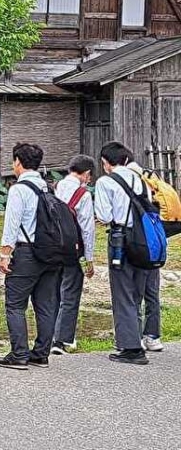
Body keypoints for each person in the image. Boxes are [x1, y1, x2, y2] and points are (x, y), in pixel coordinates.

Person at [0, 143, 62, 370]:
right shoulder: (48, 188)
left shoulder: (19, 189)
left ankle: (19, 354)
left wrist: (5, 254)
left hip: (26, 253)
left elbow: (12, 225)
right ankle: (41, 354)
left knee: (15, 304)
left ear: (18, 162)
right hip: (51, 254)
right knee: (45, 305)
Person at [95, 143, 154, 364]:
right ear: (126, 159)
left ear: (106, 162)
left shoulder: (105, 182)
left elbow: (104, 215)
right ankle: (136, 340)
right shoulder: (141, 180)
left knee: (122, 294)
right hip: (144, 240)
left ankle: (131, 348)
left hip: (121, 239)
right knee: (137, 292)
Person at [51, 155, 97, 355]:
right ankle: (62, 340)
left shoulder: (54, 189)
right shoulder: (83, 195)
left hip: (51, 249)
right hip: (73, 250)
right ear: (86, 173)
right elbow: (87, 229)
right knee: (69, 294)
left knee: (52, 294)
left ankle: (48, 336)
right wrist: (89, 259)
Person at [126, 156, 164, 353]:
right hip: (156, 244)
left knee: (135, 293)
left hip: (141, 245)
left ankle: (136, 337)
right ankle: (153, 336)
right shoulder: (152, 181)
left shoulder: (132, 184)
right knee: (152, 293)